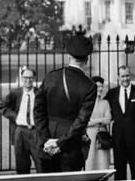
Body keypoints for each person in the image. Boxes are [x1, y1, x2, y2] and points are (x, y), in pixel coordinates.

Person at [33, 34, 97, 173]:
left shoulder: (51, 77)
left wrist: (47, 140)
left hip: (45, 145)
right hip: (71, 147)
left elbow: (38, 111)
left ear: (69, 56)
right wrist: (59, 142)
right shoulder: (89, 86)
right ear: (86, 59)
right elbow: (81, 121)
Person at [105, 65, 135, 180]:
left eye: (127, 76)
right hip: (118, 140)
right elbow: (102, 106)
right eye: (122, 76)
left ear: (130, 76)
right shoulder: (112, 93)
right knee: (119, 173)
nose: (125, 79)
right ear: (118, 77)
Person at [0, 67, 42, 174]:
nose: (28, 80)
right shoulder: (15, 93)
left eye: (31, 78)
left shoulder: (39, 93)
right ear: (22, 78)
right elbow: (2, 106)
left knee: (41, 163)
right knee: (22, 165)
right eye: (25, 78)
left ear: (34, 78)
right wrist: (15, 117)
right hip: (20, 131)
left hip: (36, 132)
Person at [85, 76, 112, 171]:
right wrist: (101, 120)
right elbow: (84, 122)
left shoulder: (105, 103)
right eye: (98, 86)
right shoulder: (86, 103)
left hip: (102, 137)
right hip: (89, 137)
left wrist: (93, 121)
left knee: (103, 164)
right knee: (90, 163)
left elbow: (108, 120)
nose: (100, 89)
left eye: (102, 86)